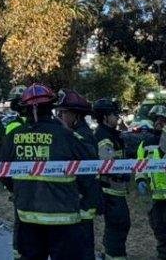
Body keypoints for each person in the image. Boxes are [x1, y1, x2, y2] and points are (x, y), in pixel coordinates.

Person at [1, 83, 95, 260]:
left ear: (28, 109)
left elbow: (2, 171)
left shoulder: (14, 136)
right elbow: (89, 164)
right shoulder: (65, 135)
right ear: (51, 107)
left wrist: (19, 189)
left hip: (27, 218)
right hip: (64, 219)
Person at [53, 88, 99, 260]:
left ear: (76, 115)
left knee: (83, 250)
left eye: (63, 112)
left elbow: (89, 162)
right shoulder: (75, 133)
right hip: (74, 203)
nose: (59, 116)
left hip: (83, 203)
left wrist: (69, 133)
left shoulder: (83, 135)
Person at [92, 98, 132, 260]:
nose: (117, 117)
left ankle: (111, 253)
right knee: (119, 224)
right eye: (114, 114)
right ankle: (114, 255)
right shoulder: (104, 137)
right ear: (104, 117)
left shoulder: (112, 135)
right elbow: (107, 165)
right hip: (110, 191)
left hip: (116, 190)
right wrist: (122, 171)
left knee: (118, 225)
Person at [135, 106, 166, 260]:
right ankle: (163, 256)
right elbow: (141, 164)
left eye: (163, 120)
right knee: (160, 230)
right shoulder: (146, 143)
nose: (159, 123)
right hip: (157, 197)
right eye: (157, 119)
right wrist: (140, 179)